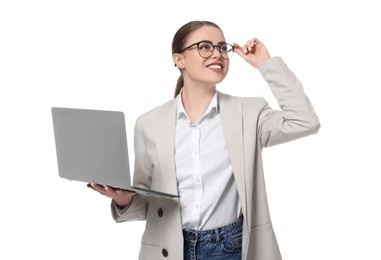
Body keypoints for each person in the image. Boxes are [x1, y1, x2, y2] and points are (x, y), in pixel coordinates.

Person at [89, 20, 320, 260]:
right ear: (179, 60)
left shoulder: (249, 113)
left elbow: (305, 121)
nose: (217, 54)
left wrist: (265, 64)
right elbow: (149, 202)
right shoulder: (149, 123)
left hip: (231, 248)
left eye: (222, 47)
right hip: (169, 249)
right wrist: (124, 199)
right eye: (205, 47)